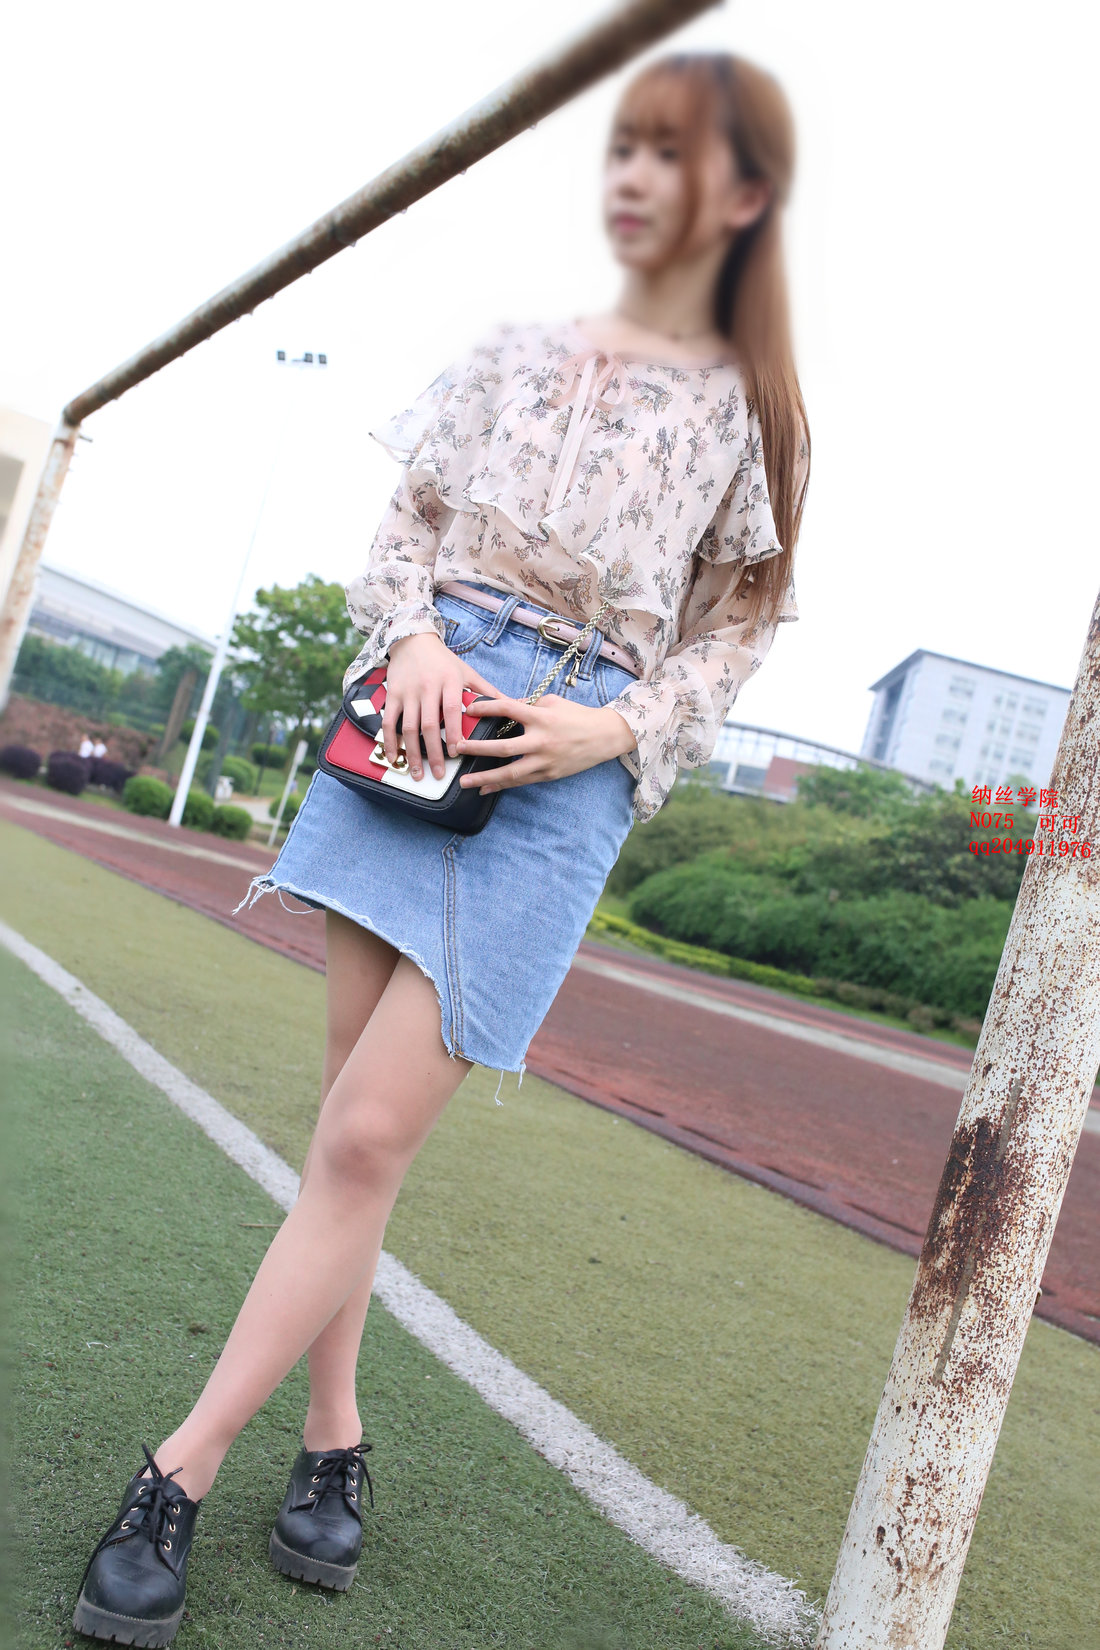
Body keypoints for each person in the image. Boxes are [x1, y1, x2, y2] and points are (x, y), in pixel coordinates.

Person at [71, 49, 810, 1646]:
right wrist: (409, 635)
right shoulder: (515, 349)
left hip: (567, 762)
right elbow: (406, 520)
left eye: (675, 155)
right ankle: (334, 1438)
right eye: (625, 146)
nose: (635, 177)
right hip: (415, 713)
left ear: (746, 195)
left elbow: (741, 624)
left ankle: (179, 1470)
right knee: (356, 1132)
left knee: (360, 1136)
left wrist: (615, 730)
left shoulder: (748, 401)